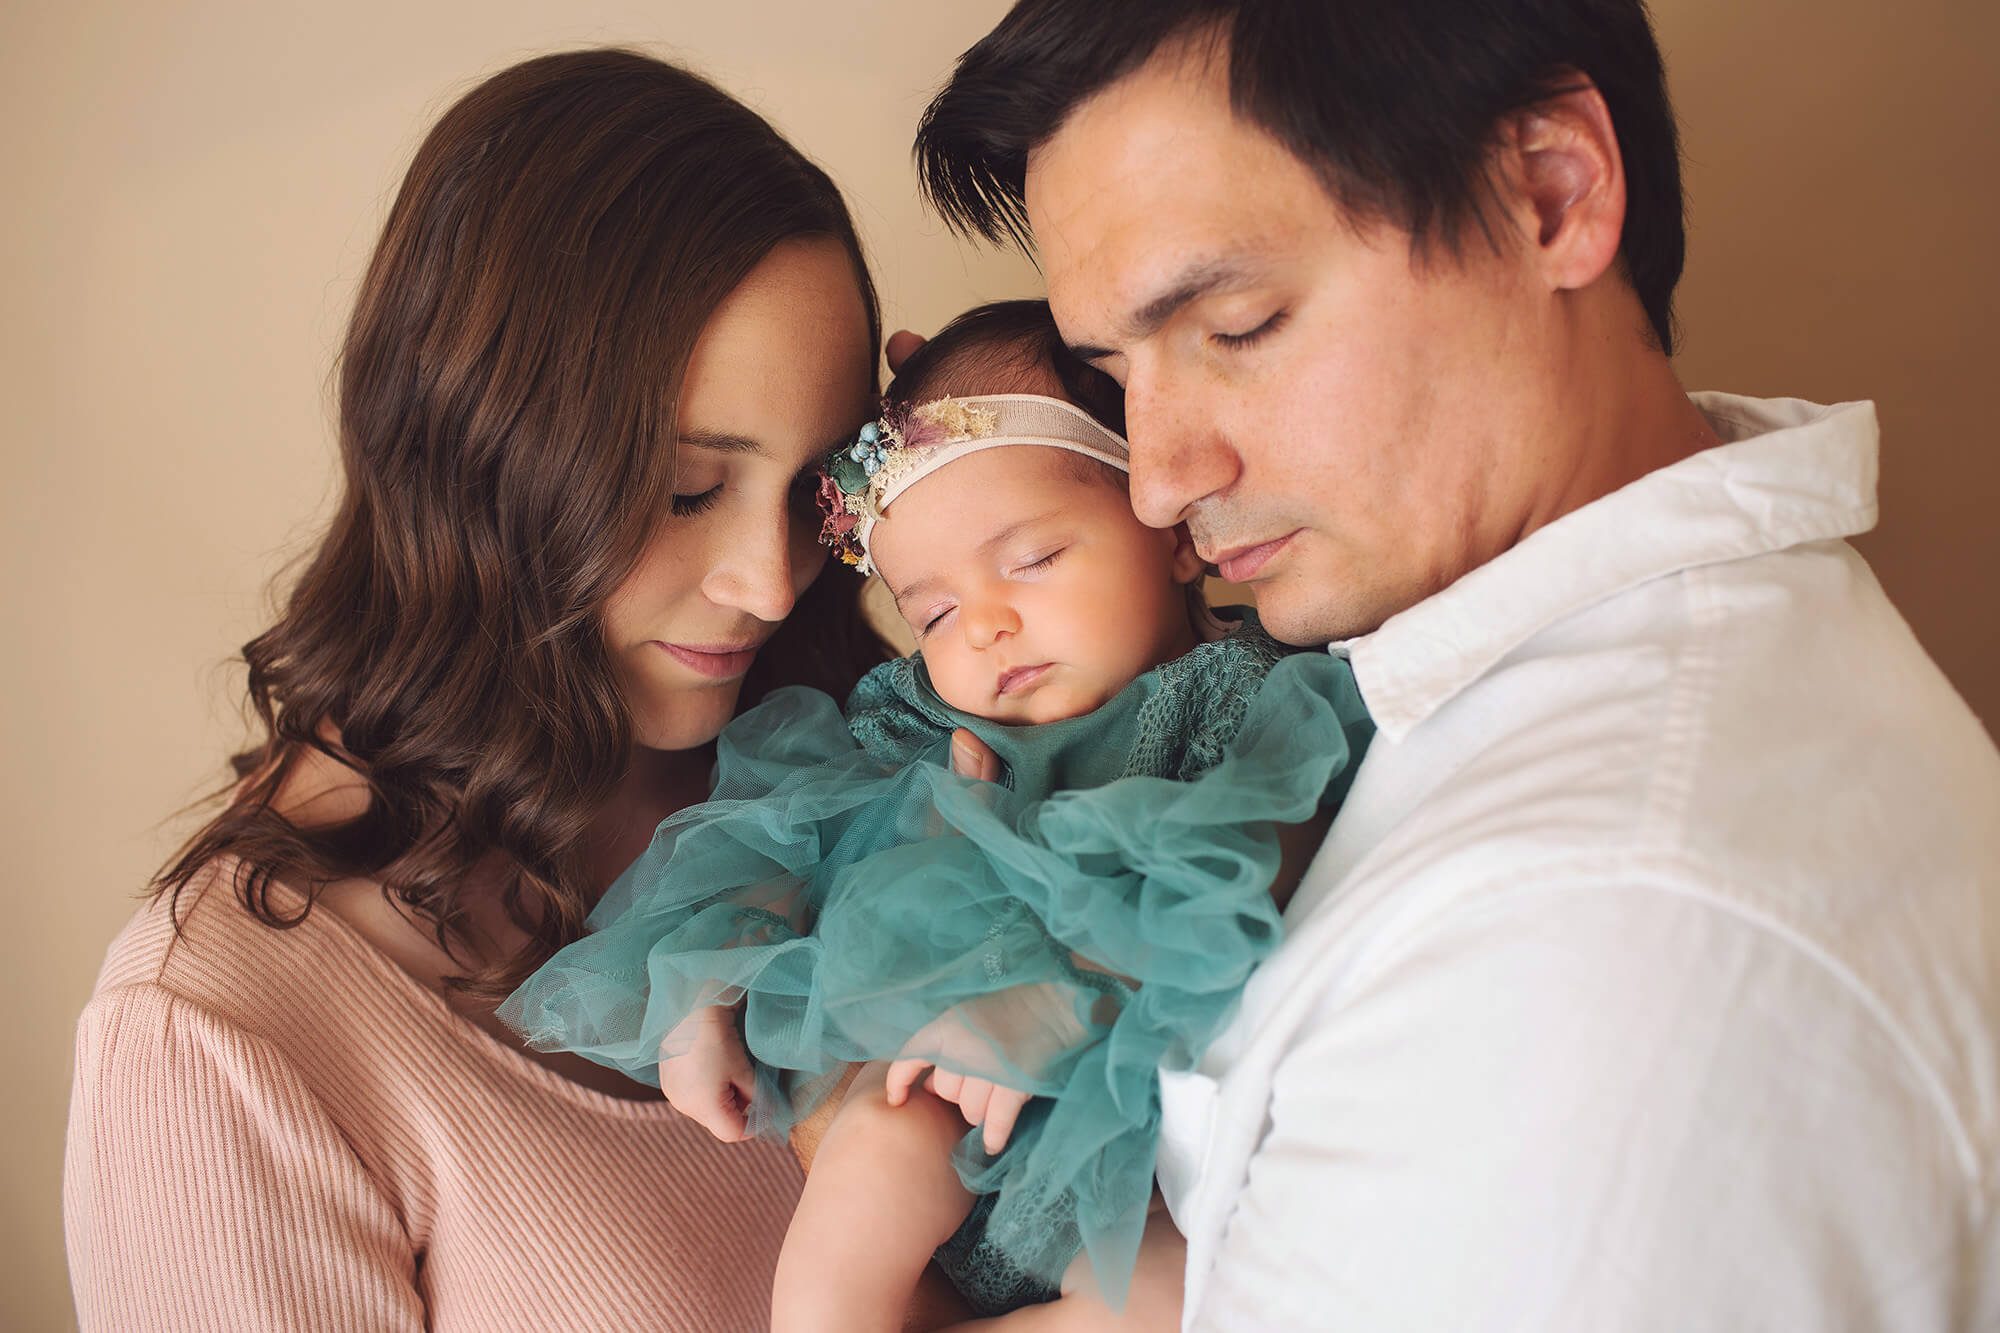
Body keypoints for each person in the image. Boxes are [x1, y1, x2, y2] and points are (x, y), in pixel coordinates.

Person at [914, 2, 2000, 1328]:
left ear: (1550, 191)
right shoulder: (1465, 702)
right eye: (1112, 374)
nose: (1158, 482)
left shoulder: (1610, 943)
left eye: (1240, 326)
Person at [63, 49, 892, 1330]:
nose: (773, 583)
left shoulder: (840, 767)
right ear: (480, 455)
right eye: (684, 489)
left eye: (816, 492)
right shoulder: (220, 1038)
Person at [502, 300, 1373, 1329]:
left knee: (1171, 1302)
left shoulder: (1236, 693)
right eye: (935, 612)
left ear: (1170, 531)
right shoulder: (931, 719)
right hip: (934, 1104)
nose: (989, 624)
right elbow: (799, 828)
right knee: (876, 1144)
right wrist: (711, 980)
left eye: (1033, 559)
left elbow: (1260, 847)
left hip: (1131, 1156)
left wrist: (1071, 994)